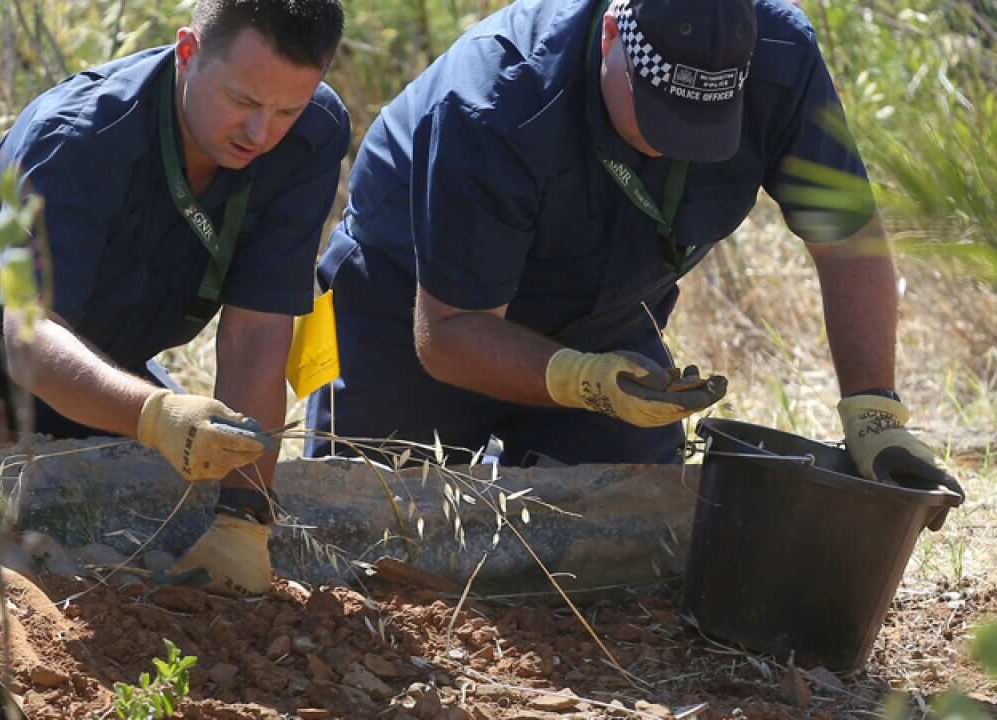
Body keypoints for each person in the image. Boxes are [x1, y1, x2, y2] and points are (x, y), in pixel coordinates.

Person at [305, 0, 959, 495]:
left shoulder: (780, 55)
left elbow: (847, 242)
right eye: (659, 112)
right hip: (408, 309)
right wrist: (583, 381)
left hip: (599, 317)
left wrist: (873, 414)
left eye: (704, 125)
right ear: (612, 36)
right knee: (371, 523)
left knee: (629, 526)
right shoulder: (496, 96)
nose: (675, 145)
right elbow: (446, 334)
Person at [0, 0, 349, 596]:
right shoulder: (77, 135)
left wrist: (243, 519)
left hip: (93, 365)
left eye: (286, 110)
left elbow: (256, 330)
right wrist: (153, 416)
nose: (261, 133)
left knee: (170, 500)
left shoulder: (313, 133)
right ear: (188, 52)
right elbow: (29, 336)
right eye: (242, 101)